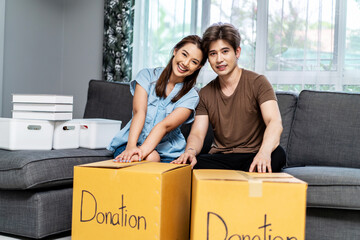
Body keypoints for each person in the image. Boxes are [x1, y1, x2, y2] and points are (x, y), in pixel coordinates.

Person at [172, 23, 286, 173]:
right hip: (222, 158)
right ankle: (240, 183)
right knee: (192, 165)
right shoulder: (205, 93)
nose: (219, 59)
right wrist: (190, 152)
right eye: (213, 54)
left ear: (237, 52)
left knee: (277, 154)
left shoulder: (258, 82)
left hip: (254, 155)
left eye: (225, 51)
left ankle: (239, 183)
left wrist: (264, 153)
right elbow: (197, 134)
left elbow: (274, 122)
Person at [108, 35, 207, 163]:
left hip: (168, 153)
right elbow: (139, 112)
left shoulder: (191, 96)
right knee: (151, 156)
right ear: (175, 51)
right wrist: (132, 147)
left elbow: (164, 126)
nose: (186, 63)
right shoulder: (147, 76)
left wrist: (139, 154)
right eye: (184, 54)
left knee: (152, 156)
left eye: (194, 62)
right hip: (131, 144)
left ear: (198, 67)